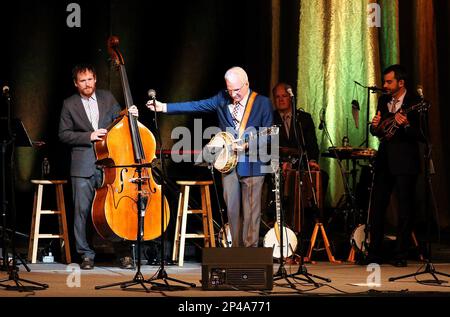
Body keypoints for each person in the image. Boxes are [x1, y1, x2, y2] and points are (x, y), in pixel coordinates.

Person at [147, 66, 273, 247]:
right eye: (229, 90)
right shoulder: (222, 98)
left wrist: (246, 144)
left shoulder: (262, 103)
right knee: (232, 212)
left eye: (236, 90)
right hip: (228, 165)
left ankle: (250, 255)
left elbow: (269, 133)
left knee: (251, 213)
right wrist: (164, 107)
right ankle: (236, 254)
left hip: (253, 163)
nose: (233, 94)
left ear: (247, 84)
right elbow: (196, 105)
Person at [58, 63, 138, 269]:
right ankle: (86, 255)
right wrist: (89, 136)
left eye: (90, 79)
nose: (87, 84)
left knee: (115, 208)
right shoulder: (69, 104)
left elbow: (118, 122)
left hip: (109, 164)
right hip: (83, 166)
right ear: (76, 83)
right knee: (82, 211)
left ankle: (124, 253)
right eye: (82, 80)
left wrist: (128, 113)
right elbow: (63, 134)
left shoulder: (107, 97)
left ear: (95, 79)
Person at [368, 64, 422, 267]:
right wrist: (374, 127)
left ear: (401, 82)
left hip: (406, 162)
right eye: (384, 81)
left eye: (389, 82)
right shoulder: (383, 100)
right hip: (384, 160)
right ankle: (374, 253)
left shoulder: (416, 102)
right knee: (377, 207)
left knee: (405, 210)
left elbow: (422, 135)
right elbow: (380, 131)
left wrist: (406, 124)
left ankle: (400, 254)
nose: (385, 85)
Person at [271, 82, 322, 236]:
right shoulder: (270, 119)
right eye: (277, 97)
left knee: (321, 178)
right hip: (279, 167)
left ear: (291, 98)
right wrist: (280, 163)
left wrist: (312, 160)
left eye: (284, 96)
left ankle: (310, 228)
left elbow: (312, 144)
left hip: (301, 166)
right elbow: (267, 148)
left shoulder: (303, 119)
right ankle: (281, 226)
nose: (281, 100)